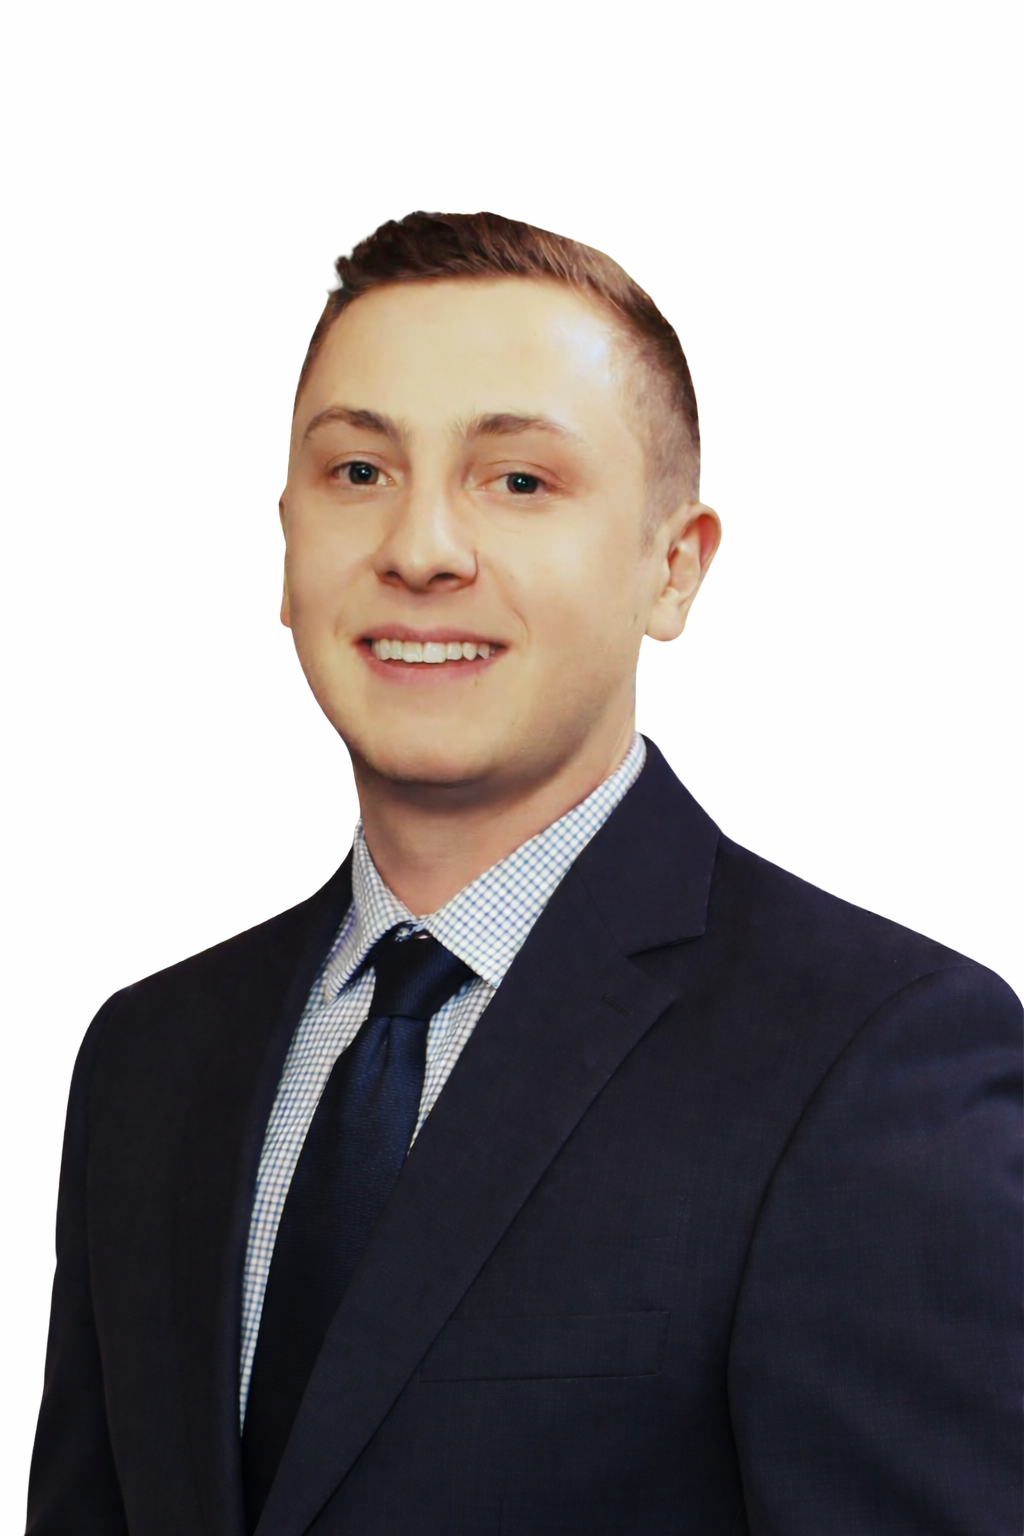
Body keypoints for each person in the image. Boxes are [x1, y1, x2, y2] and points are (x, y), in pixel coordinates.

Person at [26, 211, 1021, 1536]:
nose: (422, 546)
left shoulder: (876, 1062)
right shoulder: (147, 1059)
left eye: (520, 482)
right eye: (360, 471)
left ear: (675, 565)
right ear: (286, 546)